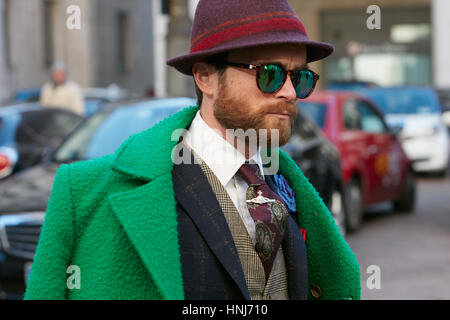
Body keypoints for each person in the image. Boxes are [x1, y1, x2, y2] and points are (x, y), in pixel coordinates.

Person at [25, 0, 360, 300]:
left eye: (299, 77)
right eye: (269, 73)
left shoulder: (291, 187)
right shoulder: (82, 193)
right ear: (205, 77)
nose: (289, 92)